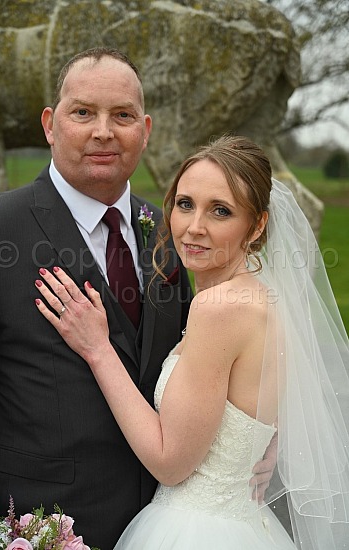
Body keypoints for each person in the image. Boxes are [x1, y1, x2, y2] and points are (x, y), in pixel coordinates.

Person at [0, 49, 272, 549]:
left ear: (146, 129)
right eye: (83, 112)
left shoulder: (176, 235)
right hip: (37, 526)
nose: (103, 131)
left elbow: (225, 364)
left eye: (122, 115)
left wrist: (264, 444)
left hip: (166, 525)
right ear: (50, 124)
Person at [35, 134, 349, 549]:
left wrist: (98, 349)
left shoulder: (219, 310)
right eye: (185, 204)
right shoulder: (264, 298)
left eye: (221, 211)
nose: (194, 227)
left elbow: (170, 463)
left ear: (257, 225)